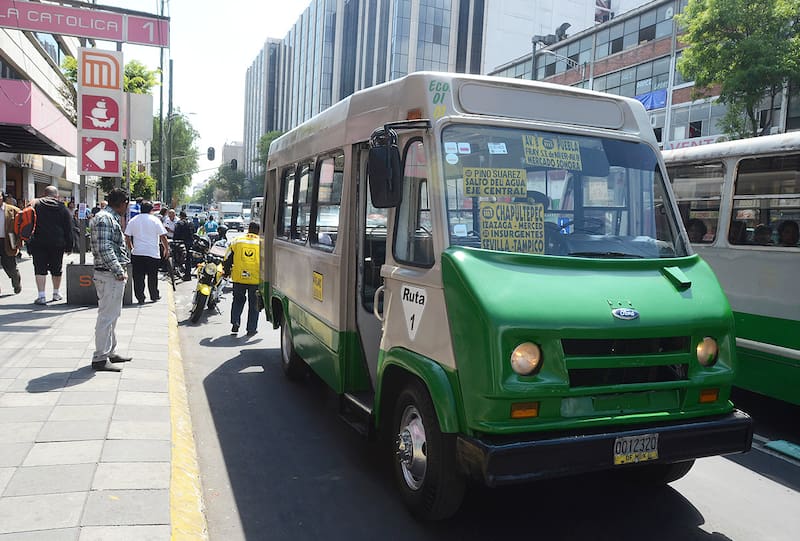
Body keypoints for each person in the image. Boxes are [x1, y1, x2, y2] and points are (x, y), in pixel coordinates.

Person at [89, 188, 132, 372]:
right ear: (123, 203)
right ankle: (100, 357)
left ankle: (110, 352)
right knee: (107, 316)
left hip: (110, 273)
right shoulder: (105, 218)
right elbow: (104, 248)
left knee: (112, 315)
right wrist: (118, 270)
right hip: (109, 274)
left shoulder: (108, 217)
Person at [30, 186, 73, 305]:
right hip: (57, 243)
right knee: (56, 268)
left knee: (39, 268)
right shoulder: (62, 208)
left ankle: (41, 296)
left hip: (39, 242)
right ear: (57, 196)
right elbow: (68, 228)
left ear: (44, 194)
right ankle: (56, 293)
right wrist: (69, 246)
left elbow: (29, 223)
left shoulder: (36, 205)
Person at [125, 200, 169, 304]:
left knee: (138, 277)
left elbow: (127, 235)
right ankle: (154, 295)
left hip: (138, 253)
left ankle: (140, 297)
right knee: (152, 276)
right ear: (151, 210)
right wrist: (166, 249)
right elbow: (163, 236)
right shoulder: (155, 220)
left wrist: (131, 247)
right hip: (152, 253)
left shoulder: (134, 220)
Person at [223, 221, 261, 336]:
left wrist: (226, 270)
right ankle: (251, 329)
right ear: (258, 231)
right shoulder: (261, 242)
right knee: (254, 304)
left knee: (238, 300)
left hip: (238, 277)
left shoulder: (237, 240)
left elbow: (227, 257)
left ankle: (235, 322)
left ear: (248, 229)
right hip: (255, 279)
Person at [0, 191, 22, 295]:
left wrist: (20, 240)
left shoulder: (13, 210)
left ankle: (16, 283)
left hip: (8, 241)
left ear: (2, 197)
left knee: (10, 266)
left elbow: (21, 226)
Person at [173, 210, 196, 281]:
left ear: (180, 216)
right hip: (190, 243)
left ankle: (178, 269)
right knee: (188, 259)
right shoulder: (191, 223)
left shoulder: (179, 223)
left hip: (181, 243)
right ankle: (187, 275)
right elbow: (194, 232)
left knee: (176, 257)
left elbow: (176, 234)